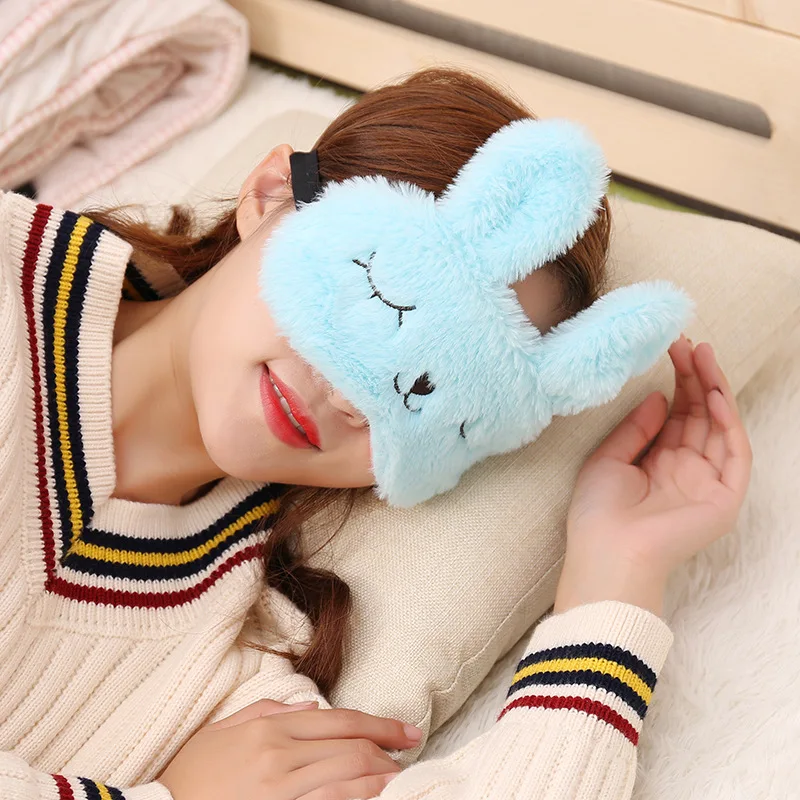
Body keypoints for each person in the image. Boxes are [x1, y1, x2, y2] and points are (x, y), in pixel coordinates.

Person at [0, 67, 750, 800]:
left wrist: (615, 580)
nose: (351, 396)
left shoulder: (236, 662)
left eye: (423, 394)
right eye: (372, 296)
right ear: (269, 193)